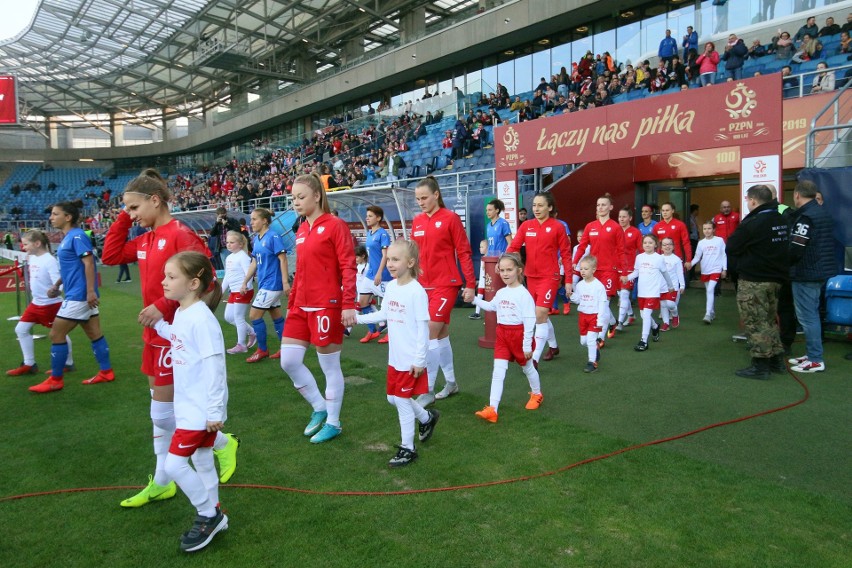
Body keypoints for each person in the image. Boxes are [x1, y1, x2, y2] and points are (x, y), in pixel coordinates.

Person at [102, 169, 239, 508]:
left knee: (162, 415)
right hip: (154, 334)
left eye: (134, 208)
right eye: (127, 210)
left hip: (173, 335)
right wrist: (123, 214)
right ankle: (162, 481)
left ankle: (220, 442)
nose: (131, 216)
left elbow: (204, 277)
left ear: (155, 200)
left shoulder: (179, 234)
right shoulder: (146, 238)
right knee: (161, 414)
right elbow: (110, 256)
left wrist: (162, 306)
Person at [153, 251, 229, 552]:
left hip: (200, 412)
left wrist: (214, 410)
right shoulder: (183, 313)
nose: (164, 282)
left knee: (174, 465)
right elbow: (178, 336)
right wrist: (158, 325)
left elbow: (215, 368)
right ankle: (216, 513)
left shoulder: (202, 319)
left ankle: (208, 514)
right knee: (201, 460)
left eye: (172, 277)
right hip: (188, 407)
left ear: (194, 283)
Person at [280, 173, 357, 444]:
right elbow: (300, 271)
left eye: (301, 197)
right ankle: (319, 406)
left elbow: (348, 266)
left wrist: (349, 304)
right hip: (301, 305)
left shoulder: (336, 226)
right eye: (293, 198)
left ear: (316, 195)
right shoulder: (301, 229)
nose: (296, 203)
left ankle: (334, 422)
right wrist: (291, 304)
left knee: (330, 367)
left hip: (328, 305)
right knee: (288, 361)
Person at [354, 239, 439, 466]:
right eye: (388, 259)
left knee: (401, 400)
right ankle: (426, 417)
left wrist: (420, 359)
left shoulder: (416, 292)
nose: (390, 264)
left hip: (411, 359)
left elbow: (423, 329)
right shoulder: (391, 287)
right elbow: (383, 314)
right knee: (392, 397)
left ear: (410, 262)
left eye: (395, 259)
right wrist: (357, 318)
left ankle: (407, 448)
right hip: (396, 358)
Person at [28, 201, 114, 393]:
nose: (51, 217)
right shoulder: (68, 237)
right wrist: (58, 284)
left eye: (55, 214)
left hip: (79, 295)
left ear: (67, 217)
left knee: (56, 334)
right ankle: (106, 372)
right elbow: (71, 267)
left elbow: (89, 263)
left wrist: (90, 291)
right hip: (78, 293)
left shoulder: (77, 236)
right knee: (94, 333)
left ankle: (55, 380)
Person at [411, 177, 475, 406]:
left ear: (436, 195)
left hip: (446, 284)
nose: (421, 202)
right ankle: (451, 383)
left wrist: (470, 284)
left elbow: (464, 252)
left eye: (424, 198)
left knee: (429, 332)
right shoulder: (417, 222)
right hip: (422, 286)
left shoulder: (450, 218)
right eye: (418, 199)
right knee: (440, 335)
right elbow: (413, 256)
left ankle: (426, 389)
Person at [726, 184, 789, 379]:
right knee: (769, 320)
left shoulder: (752, 222)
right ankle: (776, 360)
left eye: (747, 199)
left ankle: (760, 365)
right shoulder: (781, 218)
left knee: (755, 322)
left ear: (753, 200)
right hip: (776, 280)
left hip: (755, 280)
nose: (747, 202)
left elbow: (732, 246)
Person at [473, 253, 541, 422]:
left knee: (528, 368)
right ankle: (492, 409)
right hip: (502, 334)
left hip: (519, 335)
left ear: (519, 270)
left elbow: (529, 321)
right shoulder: (501, 292)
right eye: (502, 270)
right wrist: (474, 299)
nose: (505, 273)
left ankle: (537, 394)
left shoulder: (524, 295)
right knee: (498, 371)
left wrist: (526, 346)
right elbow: (490, 307)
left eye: (509, 270)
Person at [508, 192, 572, 366]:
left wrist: (568, 280)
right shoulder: (526, 226)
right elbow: (513, 246)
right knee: (539, 315)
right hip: (531, 276)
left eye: (540, 205)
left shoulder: (558, 227)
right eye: (534, 205)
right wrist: (504, 261)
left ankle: (534, 358)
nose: (536, 209)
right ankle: (553, 346)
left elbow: (566, 255)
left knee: (540, 314)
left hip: (550, 277)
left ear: (550, 207)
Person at [6, 230, 74, 377]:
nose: (23, 247)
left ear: (37, 243)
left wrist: (55, 290)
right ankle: (29, 364)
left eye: (25, 244)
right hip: (36, 303)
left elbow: (59, 283)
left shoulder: (49, 260)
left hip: (50, 305)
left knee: (59, 334)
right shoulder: (33, 258)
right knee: (21, 329)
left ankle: (68, 363)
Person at [788, 180, 835, 373]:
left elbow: (796, 249)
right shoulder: (819, 211)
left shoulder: (807, 217)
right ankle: (812, 354)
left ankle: (815, 359)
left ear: (797, 195)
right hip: (817, 271)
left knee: (808, 317)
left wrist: (783, 263)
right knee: (811, 314)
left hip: (807, 272)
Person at [571, 194, 627, 347]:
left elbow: (622, 251)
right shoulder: (590, 226)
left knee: (604, 303)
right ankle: (613, 322)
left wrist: (624, 272)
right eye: (598, 205)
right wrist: (574, 261)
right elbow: (582, 246)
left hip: (610, 269)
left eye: (603, 205)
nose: (600, 207)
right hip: (593, 270)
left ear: (611, 207)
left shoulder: (615, 227)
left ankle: (600, 337)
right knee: (598, 303)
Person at [240, 208, 290, 362]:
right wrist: (245, 281)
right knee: (276, 316)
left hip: (272, 284)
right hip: (264, 284)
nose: (251, 222)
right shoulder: (257, 239)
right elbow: (254, 262)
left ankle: (262, 350)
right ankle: (285, 349)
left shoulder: (273, 236)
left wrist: (285, 282)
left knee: (254, 315)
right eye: (251, 219)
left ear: (265, 221)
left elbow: (283, 259)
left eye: (254, 219)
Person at [627, 235, 674, 352]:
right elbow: (636, 272)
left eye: (650, 242)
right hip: (641, 292)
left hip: (653, 292)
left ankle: (644, 341)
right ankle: (655, 326)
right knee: (644, 315)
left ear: (655, 245)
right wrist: (626, 278)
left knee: (646, 314)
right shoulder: (639, 257)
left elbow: (665, 273)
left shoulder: (659, 258)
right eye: (645, 243)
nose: (647, 245)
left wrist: (670, 286)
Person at [358, 205, 392, 343]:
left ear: (378, 218)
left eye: (370, 216)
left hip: (382, 276)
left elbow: (385, 256)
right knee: (362, 302)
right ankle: (372, 331)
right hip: (369, 275)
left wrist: (379, 273)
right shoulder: (370, 233)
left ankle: (391, 332)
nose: (367, 218)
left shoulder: (383, 234)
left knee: (390, 305)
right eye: (367, 216)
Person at [570, 256, 609, 373]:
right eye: (581, 269)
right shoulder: (579, 285)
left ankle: (592, 362)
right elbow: (578, 299)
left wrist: (600, 320)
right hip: (583, 316)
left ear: (593, 270)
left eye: (586, 269)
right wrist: (572, 296)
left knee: (591, 339)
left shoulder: (599, 286)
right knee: (584, 341)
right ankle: (595, 347)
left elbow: (603, 304)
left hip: (594, 316)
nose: (582, 271)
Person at [221, 231, 256, 354]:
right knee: (228, 317)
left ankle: (241, 345)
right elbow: (227, 276)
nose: (228, 245)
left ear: (241, 244)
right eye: (227, 242)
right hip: (234, 292)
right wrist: (221, 291)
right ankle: (252, 332)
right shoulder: (229, 257)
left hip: (243, 291)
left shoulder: (243, 257)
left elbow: (249, 273)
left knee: (238, 317)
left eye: (232, 242)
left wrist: (245, 286)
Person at [686, 222, 727, 324]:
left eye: (709, 228)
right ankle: (712, 312)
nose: (707, 231)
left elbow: (724, 255)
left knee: (710, 289)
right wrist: (690, 264)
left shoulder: (719, 240)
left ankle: (707, 314)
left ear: (714, 229)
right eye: (705, 229)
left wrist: (724, 269)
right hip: (705, 270)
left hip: (716, 269)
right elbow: (697, 257)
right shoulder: (701, 243)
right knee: (709, 291)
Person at [616, 206, 642, 330]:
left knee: (625, 294)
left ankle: (619, 322)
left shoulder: (636, 232)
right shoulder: (615, 230)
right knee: (620, 294)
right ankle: (631, 315)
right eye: (620, 217)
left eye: (624, 216)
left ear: (630, 218)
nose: (621, 219)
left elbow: (641, 250)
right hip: (616, 267)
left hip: (629, 268)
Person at [658, 237, 686, 332]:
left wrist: (682, 285)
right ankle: (666, 323)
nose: (667, 246)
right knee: (663, 305)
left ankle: (675, 315)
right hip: (661, 287)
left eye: (669, 244)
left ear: (673, 246)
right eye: (664, 244)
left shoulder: (676, 259)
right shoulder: (659, 258)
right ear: (661, 247)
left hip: (673, 287)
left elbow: (680, 273)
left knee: (670, 304)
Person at [470, 239, 489, 321]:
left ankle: (491, 315)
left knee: (489, 298)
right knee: (479, 296)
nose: (480, 248)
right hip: (482, 281)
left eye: (482, 247)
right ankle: (477, 313)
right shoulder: (483, 258)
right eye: (480, 247)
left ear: (488, 248)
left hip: (487, 281)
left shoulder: (489, 258)